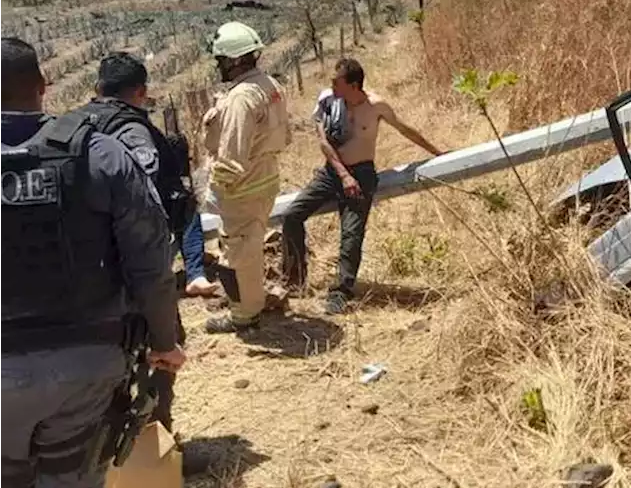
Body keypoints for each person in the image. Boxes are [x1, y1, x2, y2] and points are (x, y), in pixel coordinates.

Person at [0, 37, 185, 488]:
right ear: (44, 85)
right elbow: (150, 258)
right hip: (85, 367)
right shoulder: (97, 153)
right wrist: (165, 340)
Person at [75, 52, 203, 436]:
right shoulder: (133, 132)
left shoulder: (71, 124)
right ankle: (154, 447)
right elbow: (142, 210)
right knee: (159, 356)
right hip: (130, 271)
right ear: (142, 92)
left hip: (81, 273)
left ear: (97, 88)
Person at [281, 57, 445, 315]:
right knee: (292, 216)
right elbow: (323, 142)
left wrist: (437, 153)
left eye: (337, 82)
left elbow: (405, 130)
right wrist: (343, 175)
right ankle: (294, 280)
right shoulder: (328, 102)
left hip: (363, 173)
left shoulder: (376, 105)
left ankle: (341, 291)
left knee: (351, 234)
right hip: (333, 171)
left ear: (354, 84)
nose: (332, 85)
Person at [200, 22, 291, 334]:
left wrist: (218, 190)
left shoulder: (241, 96)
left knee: (240, 254)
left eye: (221, 60)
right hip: (265, 177)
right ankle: (251, 301)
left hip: (242, 187)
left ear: (235, 60)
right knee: (250, 247)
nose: (219, 66)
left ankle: (245, 315)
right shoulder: (270, 85)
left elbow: (231, 153)